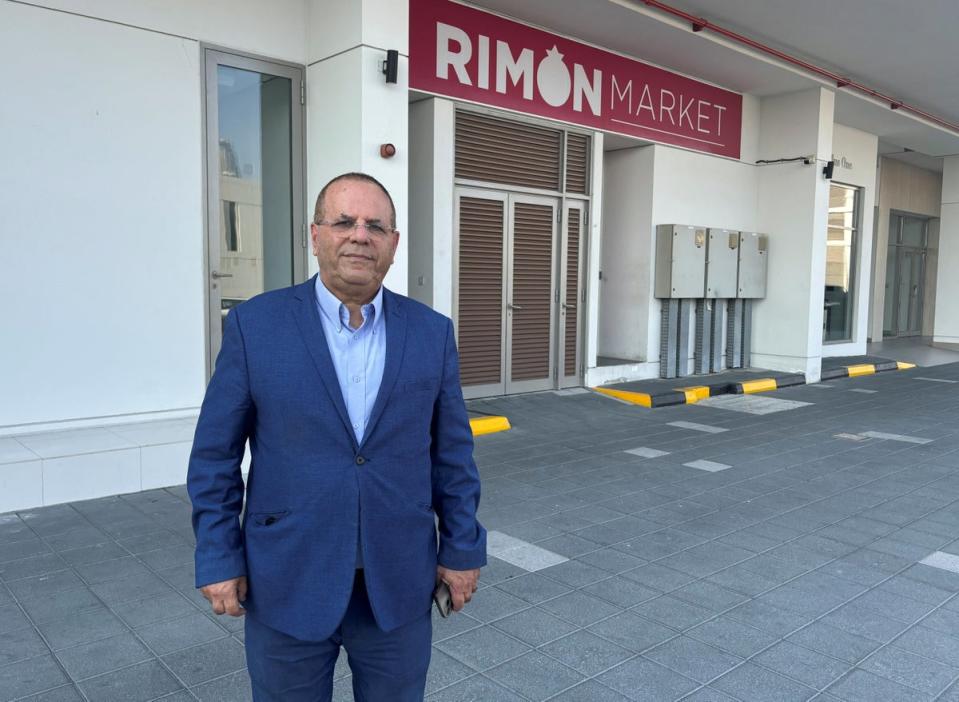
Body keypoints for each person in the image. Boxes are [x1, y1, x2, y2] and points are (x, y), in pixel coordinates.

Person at [187, 172, 486, 701]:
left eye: (376, 225)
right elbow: (215, 456)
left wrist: (462, 549)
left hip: (397, 583)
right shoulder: (256, 327)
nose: (359, 235)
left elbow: (453, 456)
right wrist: (218, 555)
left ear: (394, 243)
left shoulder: (431, 332)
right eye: (344, 221)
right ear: (315, 234)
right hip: (286, 579)